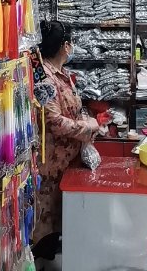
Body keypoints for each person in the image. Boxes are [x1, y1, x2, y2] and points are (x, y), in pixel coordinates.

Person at [32, 20, 99, 264]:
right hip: (50, 167)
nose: (71, 48)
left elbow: (72, 108)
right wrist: (88, 127)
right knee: (45, 228)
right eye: (70, 43)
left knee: (60, 223)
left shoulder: (61, 74)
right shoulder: (45, 79)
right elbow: (54, 121)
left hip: (65, 164)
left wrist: (86, 119)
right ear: (64, 46)